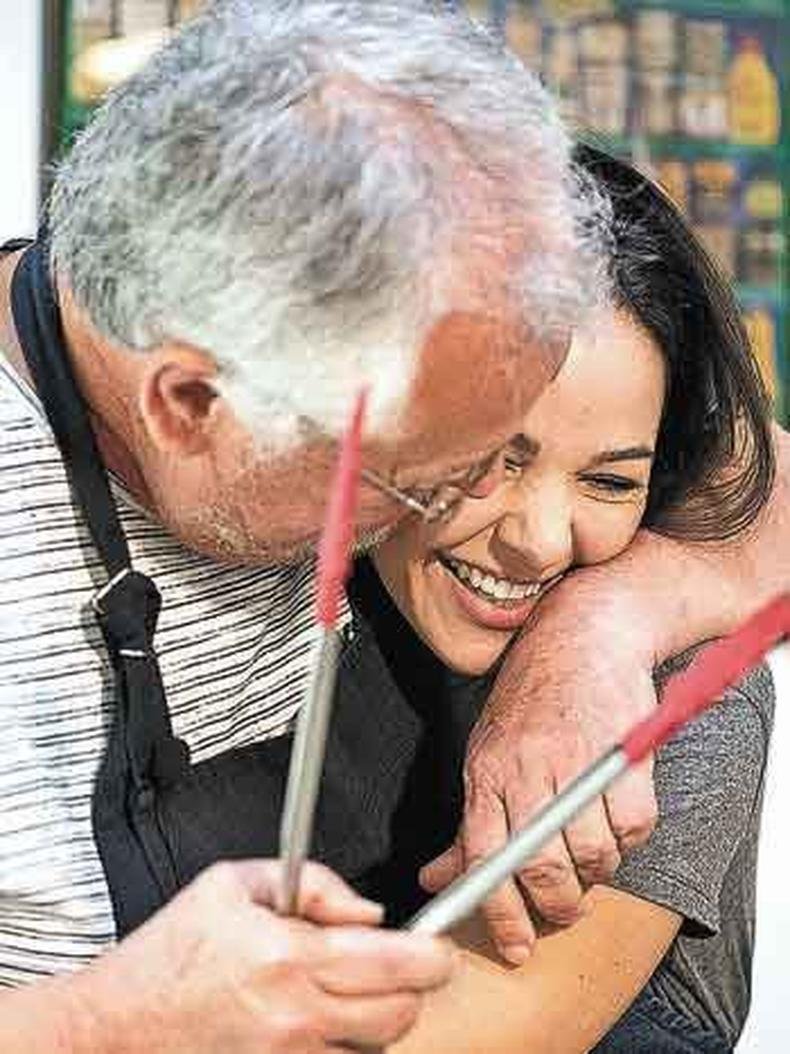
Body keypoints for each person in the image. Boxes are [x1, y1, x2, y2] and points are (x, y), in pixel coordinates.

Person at [0, 0, 786, 1047]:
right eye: (427, 478)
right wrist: (102, 1024)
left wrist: (601, 629)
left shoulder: (302, 397)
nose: (514, 531)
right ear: (189, 405)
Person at [344, 147, 774, 1052]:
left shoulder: (691, 690)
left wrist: (599, 625)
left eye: (611, 483)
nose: (540, 539)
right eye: (499, 457)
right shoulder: (264, 564)